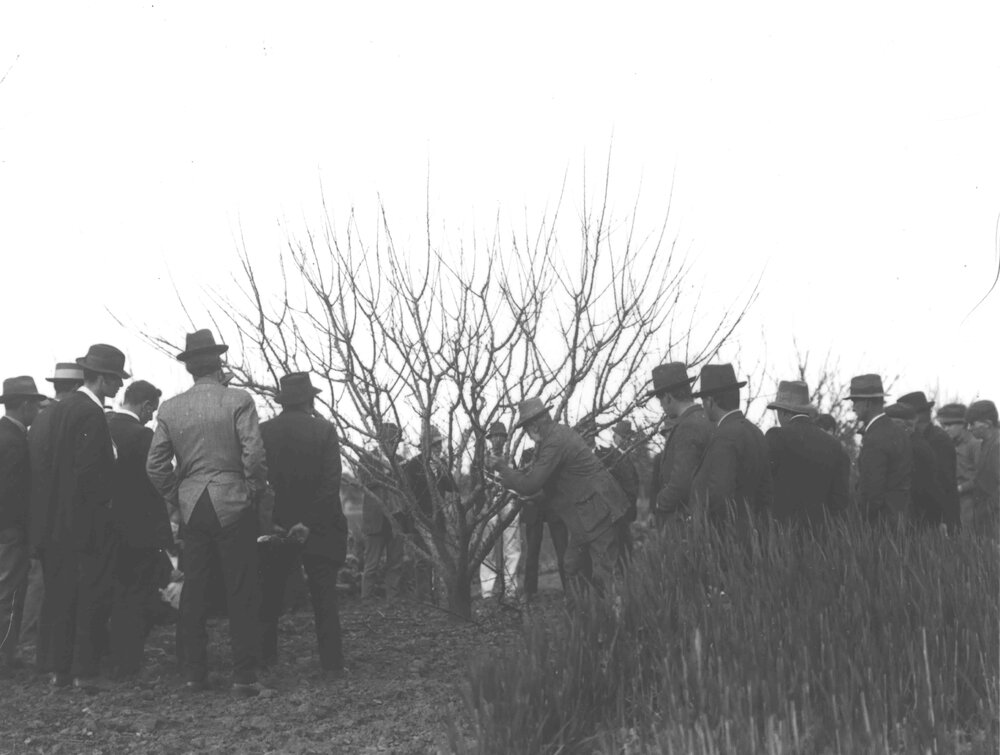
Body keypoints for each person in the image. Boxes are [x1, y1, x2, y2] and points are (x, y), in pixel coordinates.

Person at [146, 329, 268, 696]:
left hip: (192, 507)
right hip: (234, 503)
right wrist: (250, 490)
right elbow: (255, 455)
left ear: (190, 369)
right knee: (241, 590)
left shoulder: (169, 408)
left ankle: (192, 676)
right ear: (219, 365)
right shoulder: (239, 399)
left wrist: (179, 495)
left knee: (194, 592)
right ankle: (244, 677)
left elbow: (155, 465)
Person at [30, 344, 128, 690]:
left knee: (59, 599)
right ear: (101, 378)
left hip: (51, 524)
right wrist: (107, 506)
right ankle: (86, 673)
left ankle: (58, 670)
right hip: (85, 525)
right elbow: (91, 474)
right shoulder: (90, 413)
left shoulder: (51, 412)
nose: (119, 386)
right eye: (116, 379)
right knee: (90, 597)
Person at [488, 398, 627, 592]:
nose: (527, 435)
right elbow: (549, 483)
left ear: (534, 425)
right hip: (587, 514)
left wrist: (502, 467)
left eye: (526, 428)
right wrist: (533, 494)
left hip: (598, 512)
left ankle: (615, 617)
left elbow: (531, 483)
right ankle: (584, 615)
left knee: (605, 573)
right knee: (572, 565)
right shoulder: (553, 438)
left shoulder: (554, 441)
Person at [258, 372, 347, 679]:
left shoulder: (264, 431)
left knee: (270, 593)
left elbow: (259, 481)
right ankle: (332, 663)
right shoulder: (324, 430)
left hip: (279, 524)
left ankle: (266, 659)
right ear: (309, 400)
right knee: (324, 595)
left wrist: (276, 520)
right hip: (319, 525)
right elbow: (330, 483)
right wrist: (308, 522)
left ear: (283, 401)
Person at [106, 380, 173, 677]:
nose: (151, 417)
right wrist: (164, 534)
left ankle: (108, 656)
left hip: (107, 528)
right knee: (136, 597)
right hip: (139, 531)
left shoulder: (103, 427)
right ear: (145, 405)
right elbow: (154, 488)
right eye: (152, 411)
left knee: (113, 595)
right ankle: (129, 661)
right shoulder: (143, 436)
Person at [23, 364, 84, 661]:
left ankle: (44, 654)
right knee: (64, 590)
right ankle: (59, 656)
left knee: (49, 589)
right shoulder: (69, 417)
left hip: (40, 517)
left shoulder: (41, 419)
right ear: (76, 388)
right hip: (64, 518)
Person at [690, 364, 773, 527]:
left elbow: (720, 495)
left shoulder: (725, 436)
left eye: (703, 400)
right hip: (755, 533)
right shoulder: (755, 431)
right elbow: (766, 491)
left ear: (710, 401)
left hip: (727, 539)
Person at [0, 377, 45, 676]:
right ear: (26, 405)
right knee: (9, 595)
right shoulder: (16, 442)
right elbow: (14, 494)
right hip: (10, 530)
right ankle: (3, 659)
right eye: (36, 405)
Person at [764, 380, 849, 527]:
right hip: (822, 539)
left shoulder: (776, 437)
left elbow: (764, 486)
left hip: (781, 536)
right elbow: (840, 500)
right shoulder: (834, 445)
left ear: (783, 412)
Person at [645, 362, 713, 525]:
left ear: (668, 397)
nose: (661, 405)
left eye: (660, 399)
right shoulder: (705, 418)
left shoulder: (687, 426)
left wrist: (659, 503)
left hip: (685, 520)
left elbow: (681, 483)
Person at [846, 374, 912, 524]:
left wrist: (861, 524)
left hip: (881, 526)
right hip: (901, 520)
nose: (853, 407)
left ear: (867, 403)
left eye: (855, 401)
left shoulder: (874, 438)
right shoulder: (899, 432)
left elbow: (872, 494)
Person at [404, 426, 457, 601]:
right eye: (435, 445)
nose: (439, 448)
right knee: (423, 560)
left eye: (439, 444)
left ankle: (439, 597)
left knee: (440, 558)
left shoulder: (441, 465)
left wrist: (443, 468)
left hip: (439, 520)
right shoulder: (412, 466)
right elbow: (408, 493)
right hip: (422, 520)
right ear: (425, 447)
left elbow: (452, 487)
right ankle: (424, 598)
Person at [899, 391, 960, 530]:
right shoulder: (919, 438)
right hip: (927, 515)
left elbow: (944, 482)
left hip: (940, 518)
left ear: (916, 417)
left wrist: (943, 520)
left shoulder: (938, 439)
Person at [358, 423, 406, 600]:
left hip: (396, 521)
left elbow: (406, 488)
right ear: (381, 442)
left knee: (396, 563)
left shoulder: (401, 461)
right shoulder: (367, 459)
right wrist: (386, 473)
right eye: (390, 440)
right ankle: (366, 601)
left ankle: (392, 601)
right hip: (375, 521)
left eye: (395, 441)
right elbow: (364, 481)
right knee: (371, 565)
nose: (393, 444)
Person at [885, 403, 948, 528]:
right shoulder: (913, 444)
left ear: (904, 426)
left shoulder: (915, 449)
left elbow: (923, 490)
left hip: (918, 521)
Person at [519, 444, 569, 600]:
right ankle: (529, 591)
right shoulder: (527, 454)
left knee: (562, 550)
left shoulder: (553, 453)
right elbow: (523, 480)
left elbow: (559, 481)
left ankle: (569, 589)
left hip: (553, 505)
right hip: (533, 507)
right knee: (532, 550)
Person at [479, 422, 521, 601]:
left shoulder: (511, 458)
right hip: (490, 505)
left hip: (509, 503)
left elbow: (518, 481)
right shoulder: (483, 460)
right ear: (490, 439)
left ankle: (511, 589)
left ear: (505, 439)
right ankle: (487, 591)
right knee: (487, 548)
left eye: (501, 437)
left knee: (512, 547)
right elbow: (478, 485)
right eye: (494, 436)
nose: (498, 440)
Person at [936, 403, 982, 529]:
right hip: (952, 500)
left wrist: (961, 488)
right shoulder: (947, 444)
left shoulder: (974, 444)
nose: (945, 429)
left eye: (949, 425)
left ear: (962, 424)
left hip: (970, 502)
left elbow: (982, 477)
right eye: (943, 425)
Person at [966, 400, 998, 535]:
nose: (969, 428)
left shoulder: (997, 446)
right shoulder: (983, 445)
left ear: (988, 423)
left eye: (972, 423)